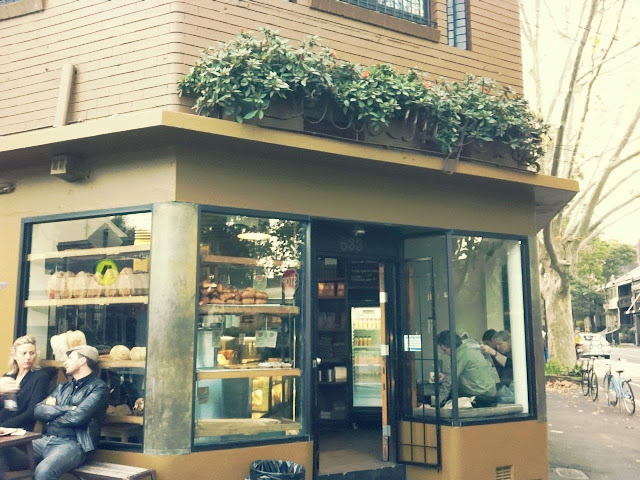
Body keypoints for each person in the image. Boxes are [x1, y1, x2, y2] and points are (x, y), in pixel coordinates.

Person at [31, 345, 109, 480]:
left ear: (82, 361)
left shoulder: (99, 388)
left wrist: (52, 413)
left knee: (43, 471)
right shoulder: (62, 387)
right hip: (44, 439)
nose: (65, 362)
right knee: (4, 451)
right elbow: (38, 411)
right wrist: (67, 408)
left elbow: (78, 417)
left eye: (70, 358)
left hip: (73, 444)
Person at [0, 336, 51, 479]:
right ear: (14, 355)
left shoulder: (40, 377)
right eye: (24, 353)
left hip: (19, 438)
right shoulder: (8, 376)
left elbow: (31, 412)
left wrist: (3, 428)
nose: (28, 357)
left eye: (32, 353)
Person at [437, 330, 497, 408]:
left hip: (480, 397)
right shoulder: (468, 350)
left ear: (451, 346)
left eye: (444, 350)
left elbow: (449, 381)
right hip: (490, 394)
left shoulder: (459, 355)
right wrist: (445, 376)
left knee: (448, 407)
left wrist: (436, 404)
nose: (444, 353)